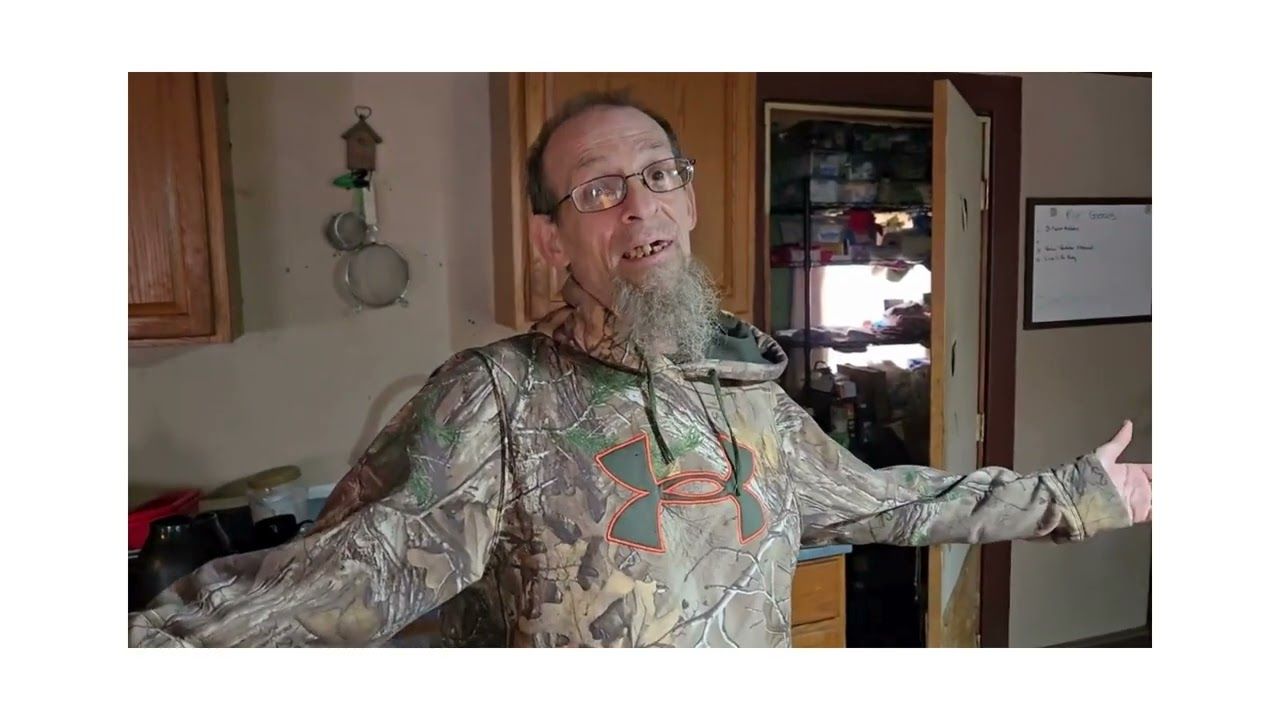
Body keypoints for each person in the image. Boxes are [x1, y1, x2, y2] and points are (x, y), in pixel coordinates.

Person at [128, 92, 1152, 648]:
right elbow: (335, 585)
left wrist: (1075, 495)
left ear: (689, 203)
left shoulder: (750, 399)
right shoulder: (496, 399)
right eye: (599, 189)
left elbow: (890, 504)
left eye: (659, 176)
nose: (639, 206)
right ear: (550, 240)